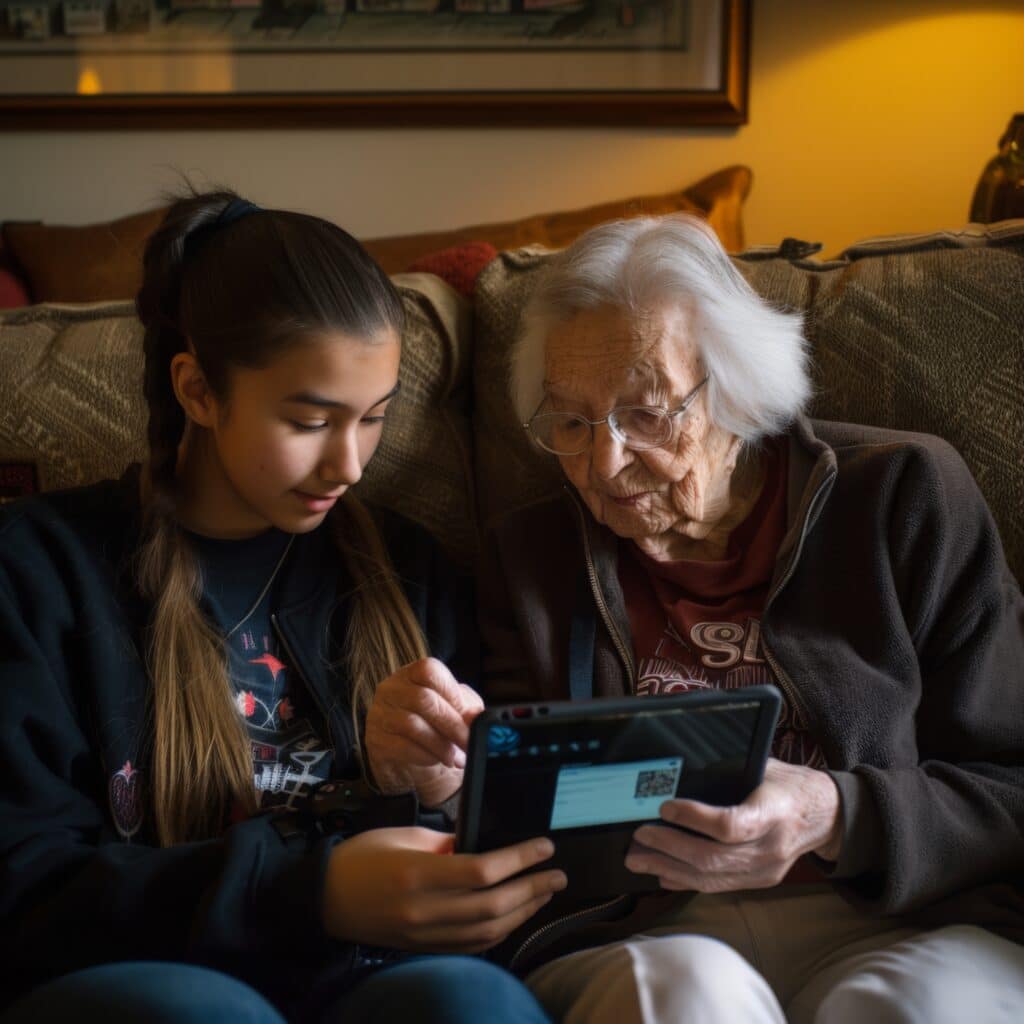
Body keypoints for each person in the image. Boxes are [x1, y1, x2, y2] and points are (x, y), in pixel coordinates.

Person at [370, 214, 1024, 1022]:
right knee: (681, 998)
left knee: (918, 1007)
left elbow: (1011, 782)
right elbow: (520, 802)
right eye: (571, 422)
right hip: (647, 930)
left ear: (739, 388)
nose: (602, 465)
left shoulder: (904, 494)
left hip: (903, 913)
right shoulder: (530, 554)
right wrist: (446, 783)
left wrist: (835, 813)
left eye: (645, 414)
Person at [0, 191, 565, 1024]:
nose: (350, 465)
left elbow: (495, 861)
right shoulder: (39, 571)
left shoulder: (408, 572)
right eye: (309, 420)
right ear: (196, 388)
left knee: (471, 1000)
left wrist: (439, 797)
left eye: (374, 419)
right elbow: (25, 884)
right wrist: (312, 891)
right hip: (148, 976)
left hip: (366, 982)